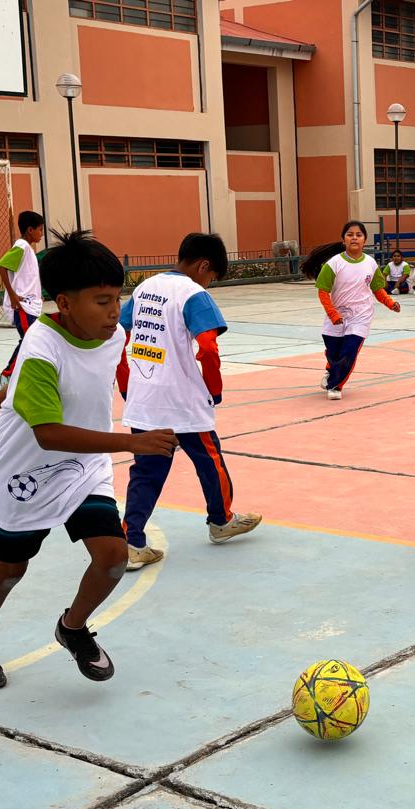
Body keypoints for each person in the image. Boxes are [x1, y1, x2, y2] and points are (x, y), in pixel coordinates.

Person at [0, 230, 174, 690]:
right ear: (64, 302)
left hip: (83, 468)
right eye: (102, 300)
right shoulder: (42, 348)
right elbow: (49, 433)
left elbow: (93, 374)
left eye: (118, 297)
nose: (114, 310)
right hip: (27, 473)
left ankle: (72, 627)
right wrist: (131, 443)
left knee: (114, 556)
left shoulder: (112, 334)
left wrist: (4, 391)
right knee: (9, 569)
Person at [116, 232, 262, 570]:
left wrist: (127, 386)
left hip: (144, 396)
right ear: (204, 265)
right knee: (210, 460)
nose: (209, 284)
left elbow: (117, 340)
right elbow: (208, 348)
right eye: (211, 277)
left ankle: (132, 542)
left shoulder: (143, 289)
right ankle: (221, 520)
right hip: (181, 400)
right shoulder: (194, 294)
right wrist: (214, 389)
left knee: (146, 471)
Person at [302, 220, 401, 400]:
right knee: (334, 351)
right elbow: (323, 292)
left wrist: (390, 303)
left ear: (364, 240)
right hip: (337, 316)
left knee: (349, 351)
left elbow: (377, 289)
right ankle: (331, 370)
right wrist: (333, 314)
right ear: (343, 240)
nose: (354, 238)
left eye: (359, 235)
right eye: (350, 234)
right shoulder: (334, 264)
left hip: (361, 316)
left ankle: (335, 385)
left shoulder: (371, 263)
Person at [0, 211, 46, 413]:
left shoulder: (28, 250)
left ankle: (11, 373)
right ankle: (8, 374)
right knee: (29, 340)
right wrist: (14, 295)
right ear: (30, 230)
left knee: (29, 340)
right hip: (23, 306)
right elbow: (1, 265)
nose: (41, 234)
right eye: (40, 230)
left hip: (31, 304)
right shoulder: (21, 246)